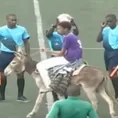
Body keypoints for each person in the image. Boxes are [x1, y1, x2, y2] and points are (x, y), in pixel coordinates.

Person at [37, 21, 83, 91]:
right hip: (77, 59)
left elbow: (61, 54)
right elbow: (64, 52)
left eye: (59, 29)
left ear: (66, 29)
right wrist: (48, 51)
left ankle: (49, 86)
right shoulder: (73, 36)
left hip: (70, 60)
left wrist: (49, 51)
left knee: (40, 65)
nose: (57, 30)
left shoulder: (67, 37)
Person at [0, 14, 30, 102]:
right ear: (7, 20)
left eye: (15, 20)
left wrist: (27, 54)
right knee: (2, 75)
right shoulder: (1, 30)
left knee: (20, 75)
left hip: (18, 55)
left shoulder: (22, 29)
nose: (14, 22)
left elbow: (26, 42)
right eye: (12, 20)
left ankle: (20, 96)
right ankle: (2, 95)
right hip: (5, 54)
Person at [96, 14, 118, 100]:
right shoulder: (105, 29)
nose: (108, 23)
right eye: (107, 21)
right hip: (107, 53)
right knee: (111, 73)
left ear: (116, 21)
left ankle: (117, 93)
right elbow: (98, 40)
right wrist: (101, 28)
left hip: (115, 53)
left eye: (110, 21)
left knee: (112, 74)